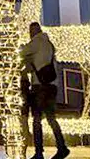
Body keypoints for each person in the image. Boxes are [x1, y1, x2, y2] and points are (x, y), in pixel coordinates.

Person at [20, 23, 69, 159]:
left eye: (30, 31)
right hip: (52, 86)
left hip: (40, 86)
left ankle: (39, 153)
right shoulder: (49, 44)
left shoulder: (36, 42)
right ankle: (62, 147)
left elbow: (22, 53)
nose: (30, 34)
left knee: (37, 119)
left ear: (34, 31)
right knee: (51, 118)